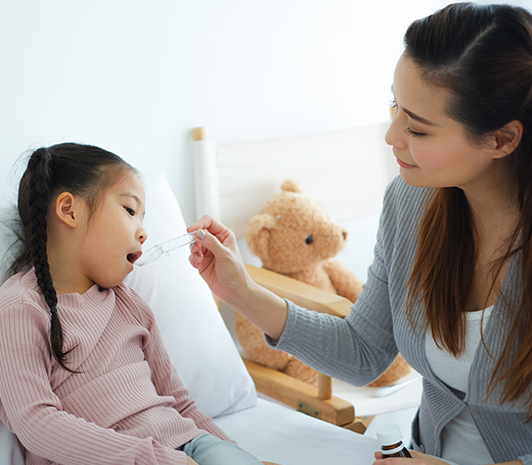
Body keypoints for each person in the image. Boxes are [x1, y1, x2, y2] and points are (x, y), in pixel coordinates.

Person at [187, 3, 532, 465]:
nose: (391, 135)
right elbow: (364, 352)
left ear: (502, 140)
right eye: (395, 105)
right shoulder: (410, 204)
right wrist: (242, 292)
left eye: (418, 128)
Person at [0, 143, 271, 465]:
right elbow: (36, 424)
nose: (143, 232)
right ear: (69, 210)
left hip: (190, 445)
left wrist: (232, 452)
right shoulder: (20, 307)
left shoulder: (129, 304)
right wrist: (158, 460)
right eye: (130, 211)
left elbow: (180, 404)